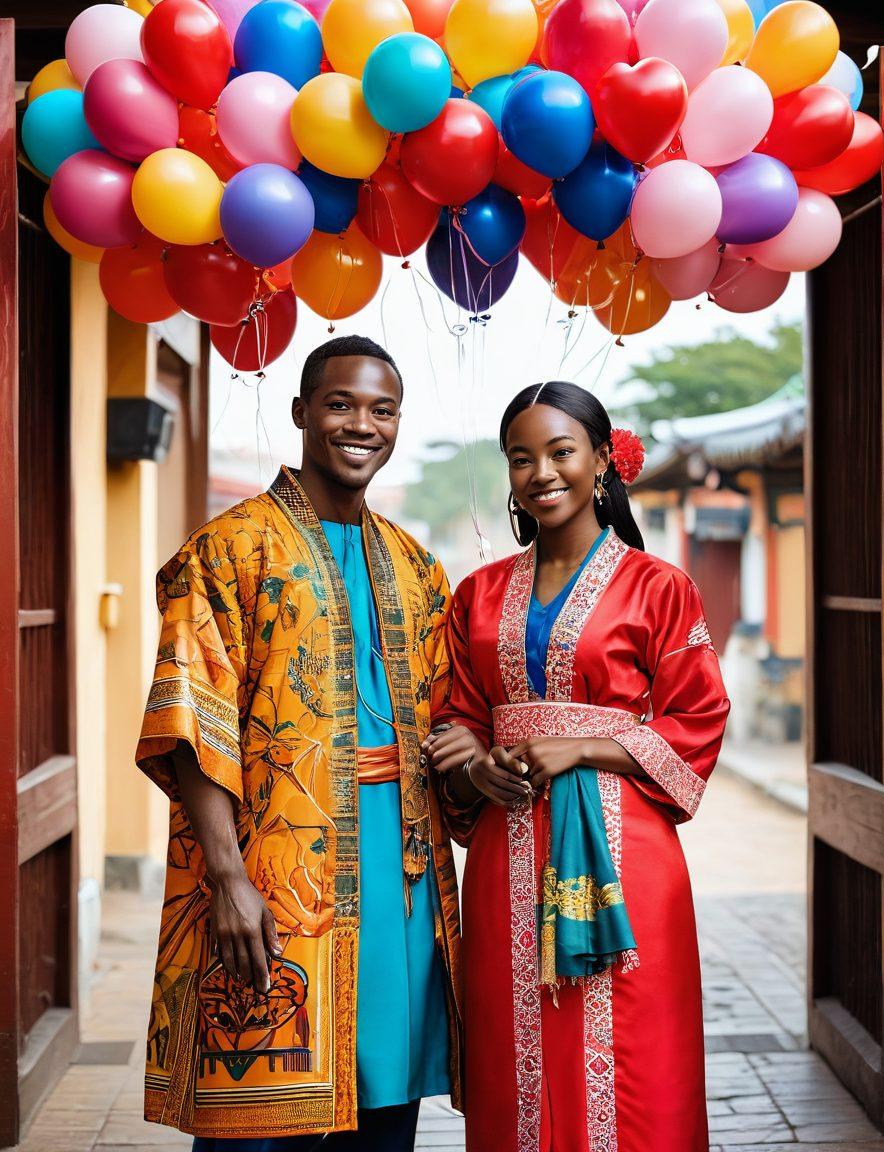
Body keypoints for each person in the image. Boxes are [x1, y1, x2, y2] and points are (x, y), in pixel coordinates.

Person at [135, 336, 462, 1151]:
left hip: (402, 878)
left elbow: (452, 713)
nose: (362, 425)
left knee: (385, 1108)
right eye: (341, 404)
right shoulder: (230, 548)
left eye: (382, 410)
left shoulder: (418, 565)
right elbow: (191, 720)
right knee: (256, 1119)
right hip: (273, 870)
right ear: (302, 413)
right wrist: (227, 877)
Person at [424, 380, 730, 1152]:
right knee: (511, 1053)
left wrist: (585, 746)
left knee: (638, 1064)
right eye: (520, 458)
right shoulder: (478, 595)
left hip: (629, 857)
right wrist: (472, 766)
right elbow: (457, 718)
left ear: (601, 459)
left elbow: (698, 715)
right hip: (504, 860)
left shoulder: (661, 588)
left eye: (561, 451)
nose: (541, 473)